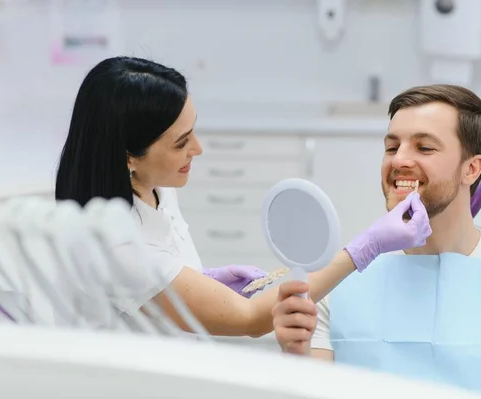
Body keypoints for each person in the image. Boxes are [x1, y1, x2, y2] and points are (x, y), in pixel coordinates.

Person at [53, 56, 432, 338]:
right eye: (182, 142)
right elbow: (249, 319)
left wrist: (197, 280)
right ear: (129, 158)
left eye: (193, 131)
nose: (198, 149)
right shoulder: (119, 247)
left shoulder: (156, 187)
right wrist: (367, 247)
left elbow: (157, 273)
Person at [272, 84, 481, 398]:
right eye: (391, 146)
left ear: (471, 168)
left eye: (424, 148)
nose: (399, 160)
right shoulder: (335, 285)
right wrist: (295, 355)